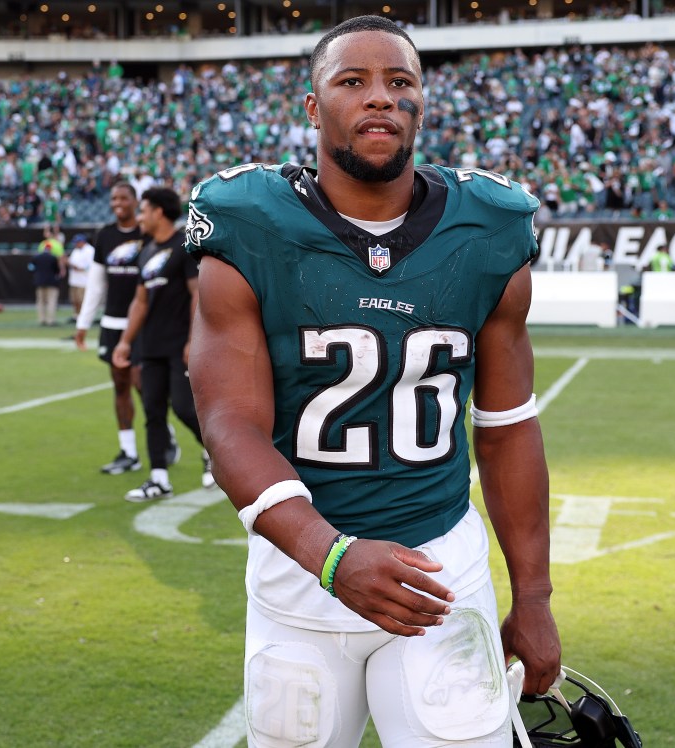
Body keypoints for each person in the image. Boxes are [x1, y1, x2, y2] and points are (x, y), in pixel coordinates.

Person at [184, 16, 561, 748]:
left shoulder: (488, 227)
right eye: (352, 82)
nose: (380, 99)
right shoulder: (249, 222)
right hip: (299, 578)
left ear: (423, 102)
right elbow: (229, 422)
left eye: (400, 82)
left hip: (440, 572)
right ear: (312, 105)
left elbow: (508, 423)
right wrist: (329, 553)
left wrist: (535, 595)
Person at [112, 186, 212, 501]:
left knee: (184, 407)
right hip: (150, 345)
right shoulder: (146, 251)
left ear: (158, 212)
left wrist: (193, 338)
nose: (140, 217)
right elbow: (140, 301)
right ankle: (158, 479)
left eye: (143, 210)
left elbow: (198, 292)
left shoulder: (185, 246)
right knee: (153, 410)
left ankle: (215, 453)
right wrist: (125, 342)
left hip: (179, 343)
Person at [75, 181, 179, 475]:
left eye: (123, 198)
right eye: (113, 198)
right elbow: (96, 284)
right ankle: (129, 451)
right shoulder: (105, 235)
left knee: (144, 386)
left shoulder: (149, 233)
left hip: (144, 325)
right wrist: (84, 323)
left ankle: (164, 434)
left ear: (137, 202)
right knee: (120, 385)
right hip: (112, 323)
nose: (117, 202)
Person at [28, 238, 63, 326]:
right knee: (51, 301)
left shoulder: (36, 257)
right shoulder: (53, 258)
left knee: (40, 302)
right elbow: (57, 270)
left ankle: (41, 319)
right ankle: (50, 320)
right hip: (51, 282)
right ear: (50, 249)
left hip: (39, 282)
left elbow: (31, 268)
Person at [66, 233, 95, 321]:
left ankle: (84, 317)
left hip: (84, 281)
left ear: (82, 242)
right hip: (74, 280)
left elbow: (91, 266)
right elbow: (72, 262)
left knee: (82, 300)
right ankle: (77, 315)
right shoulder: (76, 250)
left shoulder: (90, 250)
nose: (75, 244)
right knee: (75, 300)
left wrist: (79, 268)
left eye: (77, 242)